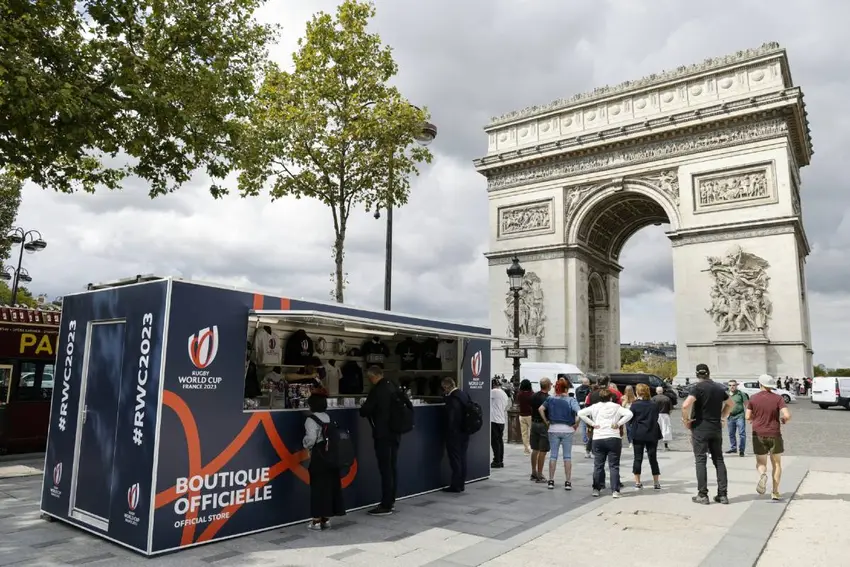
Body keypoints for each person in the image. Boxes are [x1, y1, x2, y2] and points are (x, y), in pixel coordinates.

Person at [681, 363, 733, 505]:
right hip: (715, 427)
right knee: (719, 460)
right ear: (709, 373)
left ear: (697, 374)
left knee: (700, 460)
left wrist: (686, 420)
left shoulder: (697, 388)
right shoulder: (719, 388)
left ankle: (702, 494)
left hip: (700, 427)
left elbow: (685, 405)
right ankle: (723, 494)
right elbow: (731, 404)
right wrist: (723, 416)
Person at [359, 366, 401, 515]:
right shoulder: (393, 385)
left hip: (383, 434)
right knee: (392, 467)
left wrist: (363, 406)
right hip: (395, 432)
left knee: (385, 469)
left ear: (373, 377)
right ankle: (391, 500)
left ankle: (386, 504)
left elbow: (365, 411)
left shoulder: (377, 390)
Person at [578, 388, 633, 498]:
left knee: (598, 465)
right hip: (613, 436)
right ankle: (615, 490)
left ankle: (596, 488)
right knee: (614, 465)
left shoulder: (595, 406)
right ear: (611, 398)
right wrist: (619, 423)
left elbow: (580, 413)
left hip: (598, 436)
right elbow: (629, 414)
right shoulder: (616, 407)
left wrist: (592, 424)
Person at [303, 391, 345, 530]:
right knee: (329, 487)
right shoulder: (328, 417)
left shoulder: (311, 420)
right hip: (332, 456)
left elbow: (311, 439)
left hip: (319, 456)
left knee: (317, 487)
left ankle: (316, 521)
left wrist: (305, 444)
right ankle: (326, 519)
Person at [746, 374, 792, 501]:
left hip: (758, 433)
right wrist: (784, 419)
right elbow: (787, 415)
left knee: (761, 462)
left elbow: (747, 416)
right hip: (774, 434)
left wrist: (754, 419)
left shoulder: (753, 398)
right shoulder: (778, 398)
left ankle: (762, 474)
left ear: (760, 384)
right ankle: (775, 491)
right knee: (776, 463)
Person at [539, 378, 581, 490]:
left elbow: (541, 409)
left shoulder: (550, 399)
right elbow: (579, 413)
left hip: (553, 429)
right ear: (566, 389)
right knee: (567, 456)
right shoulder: (571, 400)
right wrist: (576, 423)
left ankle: (551, 480)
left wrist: (546, 421)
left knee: (553, 455)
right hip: (567, 429)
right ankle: (568, 482)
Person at [630, 384, 662, 490]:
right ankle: (656, 482)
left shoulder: (635, 405)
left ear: (637, 392)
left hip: (638, 432)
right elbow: (656, 417)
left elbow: (630, 419)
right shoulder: (654, 404)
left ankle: (637, 482)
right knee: (653, 458)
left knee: (637, 458)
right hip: (652, 432)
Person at [442, 377, 472, 493]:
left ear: (446, 387)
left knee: (455, 459)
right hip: (465, 431)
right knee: (462, 457)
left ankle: (456, 485)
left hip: (455, 433)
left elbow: (451, 418)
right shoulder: (464, 395)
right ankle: (461, 483)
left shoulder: (453, 398)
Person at [529, 378, 551, 482]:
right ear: (548, 385)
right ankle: (540, 474)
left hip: (534, 423)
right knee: (543, 450)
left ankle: (533, 472)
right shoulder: (548, 398)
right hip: (543, 424)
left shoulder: (533, 396)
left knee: (535, 449)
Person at [725, 380, 749, 457]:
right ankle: (733, 448)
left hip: (740, 416)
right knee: (731, 433)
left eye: (733, 385)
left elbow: (747, 405)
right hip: (730, 416)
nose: (732, 387)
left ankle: (741, 450)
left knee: (742, 433)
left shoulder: (741, 394)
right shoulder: (726, 394)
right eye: (730, 385)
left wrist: (749, 415)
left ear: (736, 386)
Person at [490, 379, 510, 468]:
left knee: (494, 442)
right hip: (501, 420)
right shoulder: (504, 393)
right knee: (500, 441)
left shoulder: (494, 392)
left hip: (494, 419)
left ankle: (496, 460)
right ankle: (500, 460)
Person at [651, 386, 673, 451]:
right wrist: (668, 415)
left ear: (656, 391)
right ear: (662, 391)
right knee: (665, 430)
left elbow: (651, 408)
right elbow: (671, 409)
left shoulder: (653, 398)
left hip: (656, 415)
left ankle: (654, 445)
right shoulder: (667, 398)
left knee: (655, 430)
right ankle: (666, 446)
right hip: (665, 415)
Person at [516, 379, 534, 455]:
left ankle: (526, 449)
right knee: (533, 432)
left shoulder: (519, 394)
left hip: (522, 415)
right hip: (530, 415)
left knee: (524, 434)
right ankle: (533, 448)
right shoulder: (532, 394)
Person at [575, 377, 591, 454]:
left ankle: (585, 441)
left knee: (583, 426)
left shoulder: (577, 389)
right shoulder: (589, 389)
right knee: (590, 425)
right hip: (588, 408)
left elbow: (577, 399)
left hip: (580, 408)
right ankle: (590, 440)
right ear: (587, 382)